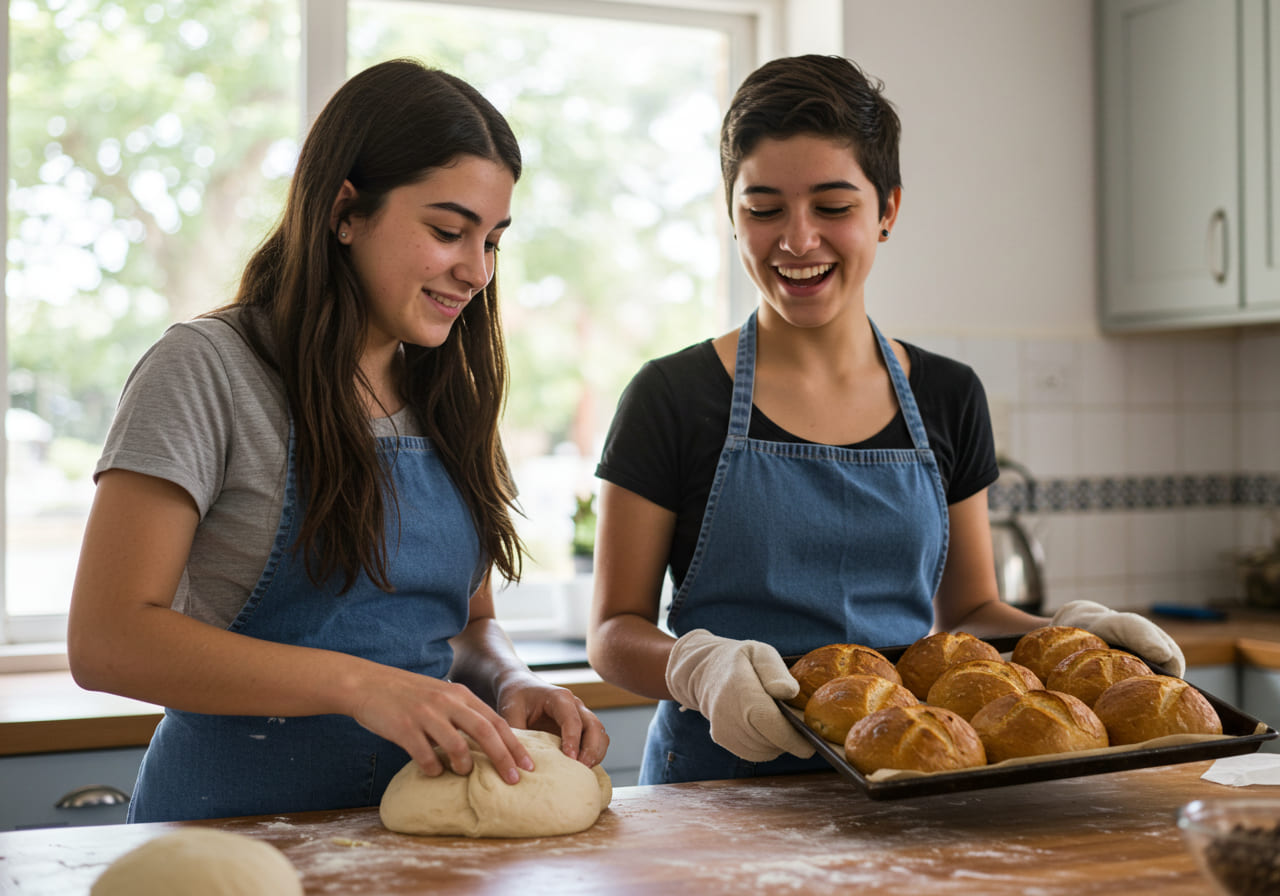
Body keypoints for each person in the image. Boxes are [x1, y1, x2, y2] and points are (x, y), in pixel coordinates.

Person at [586, 54, 1184, 786]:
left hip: (910, 773)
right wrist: (697, 668)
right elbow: (612, 632)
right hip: (717, 785)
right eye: (764, 209)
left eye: (833, 207)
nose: (797, 240)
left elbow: (971, 609)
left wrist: (1071, 635)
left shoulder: (948, 394)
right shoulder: (670, 396)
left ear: (888, 210)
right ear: (732, 216)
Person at [67, 58, 609, 822]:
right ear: (345, 211)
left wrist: (510, 680)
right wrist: (360, 686)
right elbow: (108, 640)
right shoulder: (207, 369)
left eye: (492, 240)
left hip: (413, 848)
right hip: (225, 829)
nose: (477, 271)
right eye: (448, 231)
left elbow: (470, 625)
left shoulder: (450, 396)